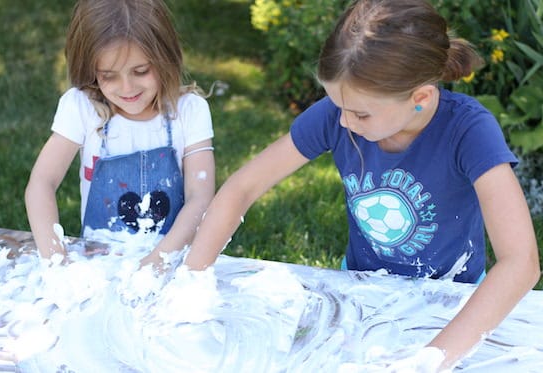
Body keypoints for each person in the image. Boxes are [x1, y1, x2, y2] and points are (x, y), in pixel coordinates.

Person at [181, 0, 540, 370]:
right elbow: (243, 187)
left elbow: (521, 262)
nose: (346, 122)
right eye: (338, 106)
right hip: (362, 286)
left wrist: (428, 359)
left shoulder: (469, 132)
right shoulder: (338, 115)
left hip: (453, 300)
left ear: (421, 98)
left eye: (361, 113)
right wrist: (191, 279)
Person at [25, 0, 215, 268]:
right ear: (91, 70)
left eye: (141, 71)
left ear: (166, 59)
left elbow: (200, 198)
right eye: (108, 76)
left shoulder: (189, 112)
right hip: (99, 262)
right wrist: (55, 258)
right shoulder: (82, 108)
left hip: (173, 262)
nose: (127, 87)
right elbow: (42, 182)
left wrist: (157, 261)